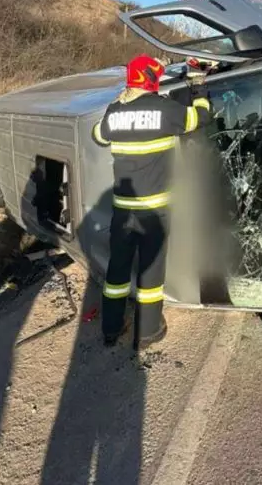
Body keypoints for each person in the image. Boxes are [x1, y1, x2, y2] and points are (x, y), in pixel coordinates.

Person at [91, 54, 210, 349]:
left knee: (117, 270)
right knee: (151, 270)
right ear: (153, 80)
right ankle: (148, 331)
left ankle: (111, 329)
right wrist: (198, 85)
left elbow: (98, 135)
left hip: (123, 211)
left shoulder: (115, 111)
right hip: (154, 211)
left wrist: (119, 104)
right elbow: (201, 117)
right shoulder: (165, 110)